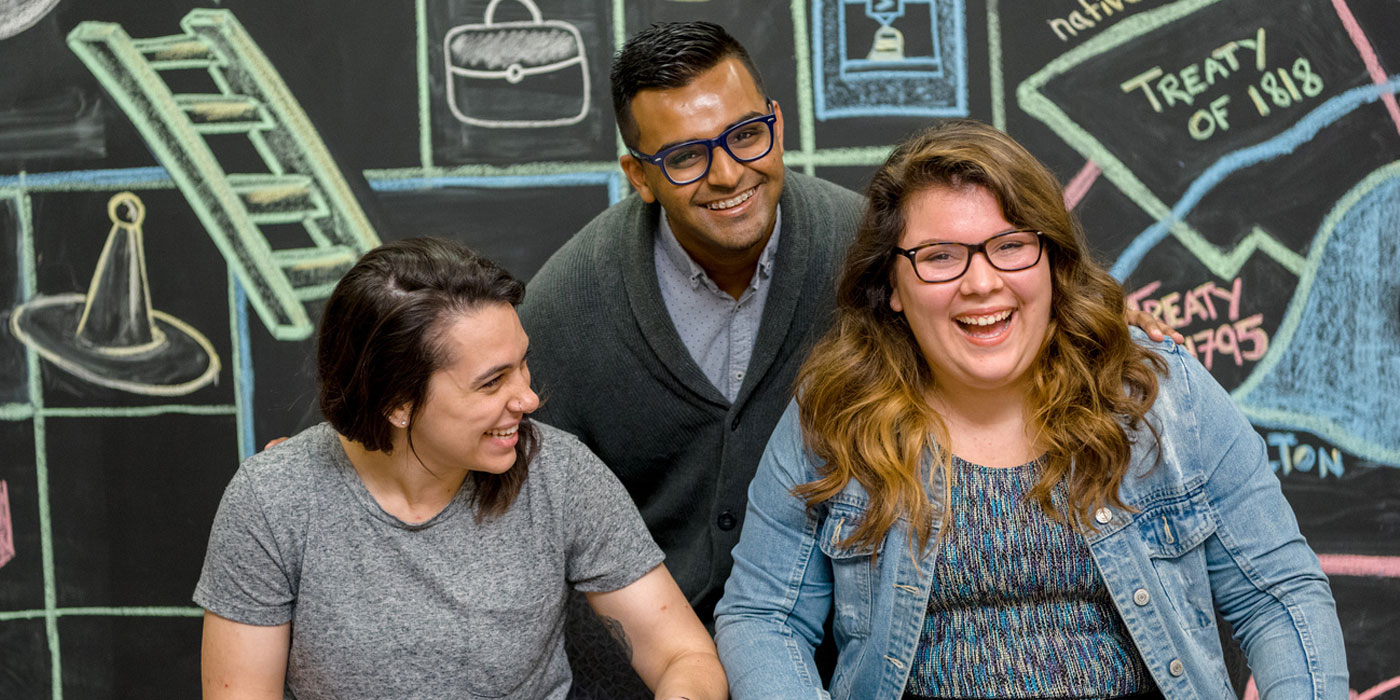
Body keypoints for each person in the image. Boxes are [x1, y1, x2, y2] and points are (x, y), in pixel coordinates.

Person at [519, 21, 1183, 698]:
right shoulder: (567, 307)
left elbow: (990, 308)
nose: (727, 173)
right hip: (649, 676)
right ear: (640, 176)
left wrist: (1089, 316)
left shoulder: (870, 250)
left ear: (776, 124)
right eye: (686, 157)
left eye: (746, 134)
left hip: (843, 667)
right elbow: (517, 515)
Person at [713, 120, 1348, 699]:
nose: (982, 282)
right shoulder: (835, 414)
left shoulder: (1157, 391)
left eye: (1011, 245)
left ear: (1051, 262)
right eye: (940, 257)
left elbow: (1280, 594)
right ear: (893, 289)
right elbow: (762, 616)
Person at [194, 238, 726, 700]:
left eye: (523, 363)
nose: (530, 397)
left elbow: (685, 656)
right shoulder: (274, 498)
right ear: (397, 403)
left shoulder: (559, 474)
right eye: (493, 382)